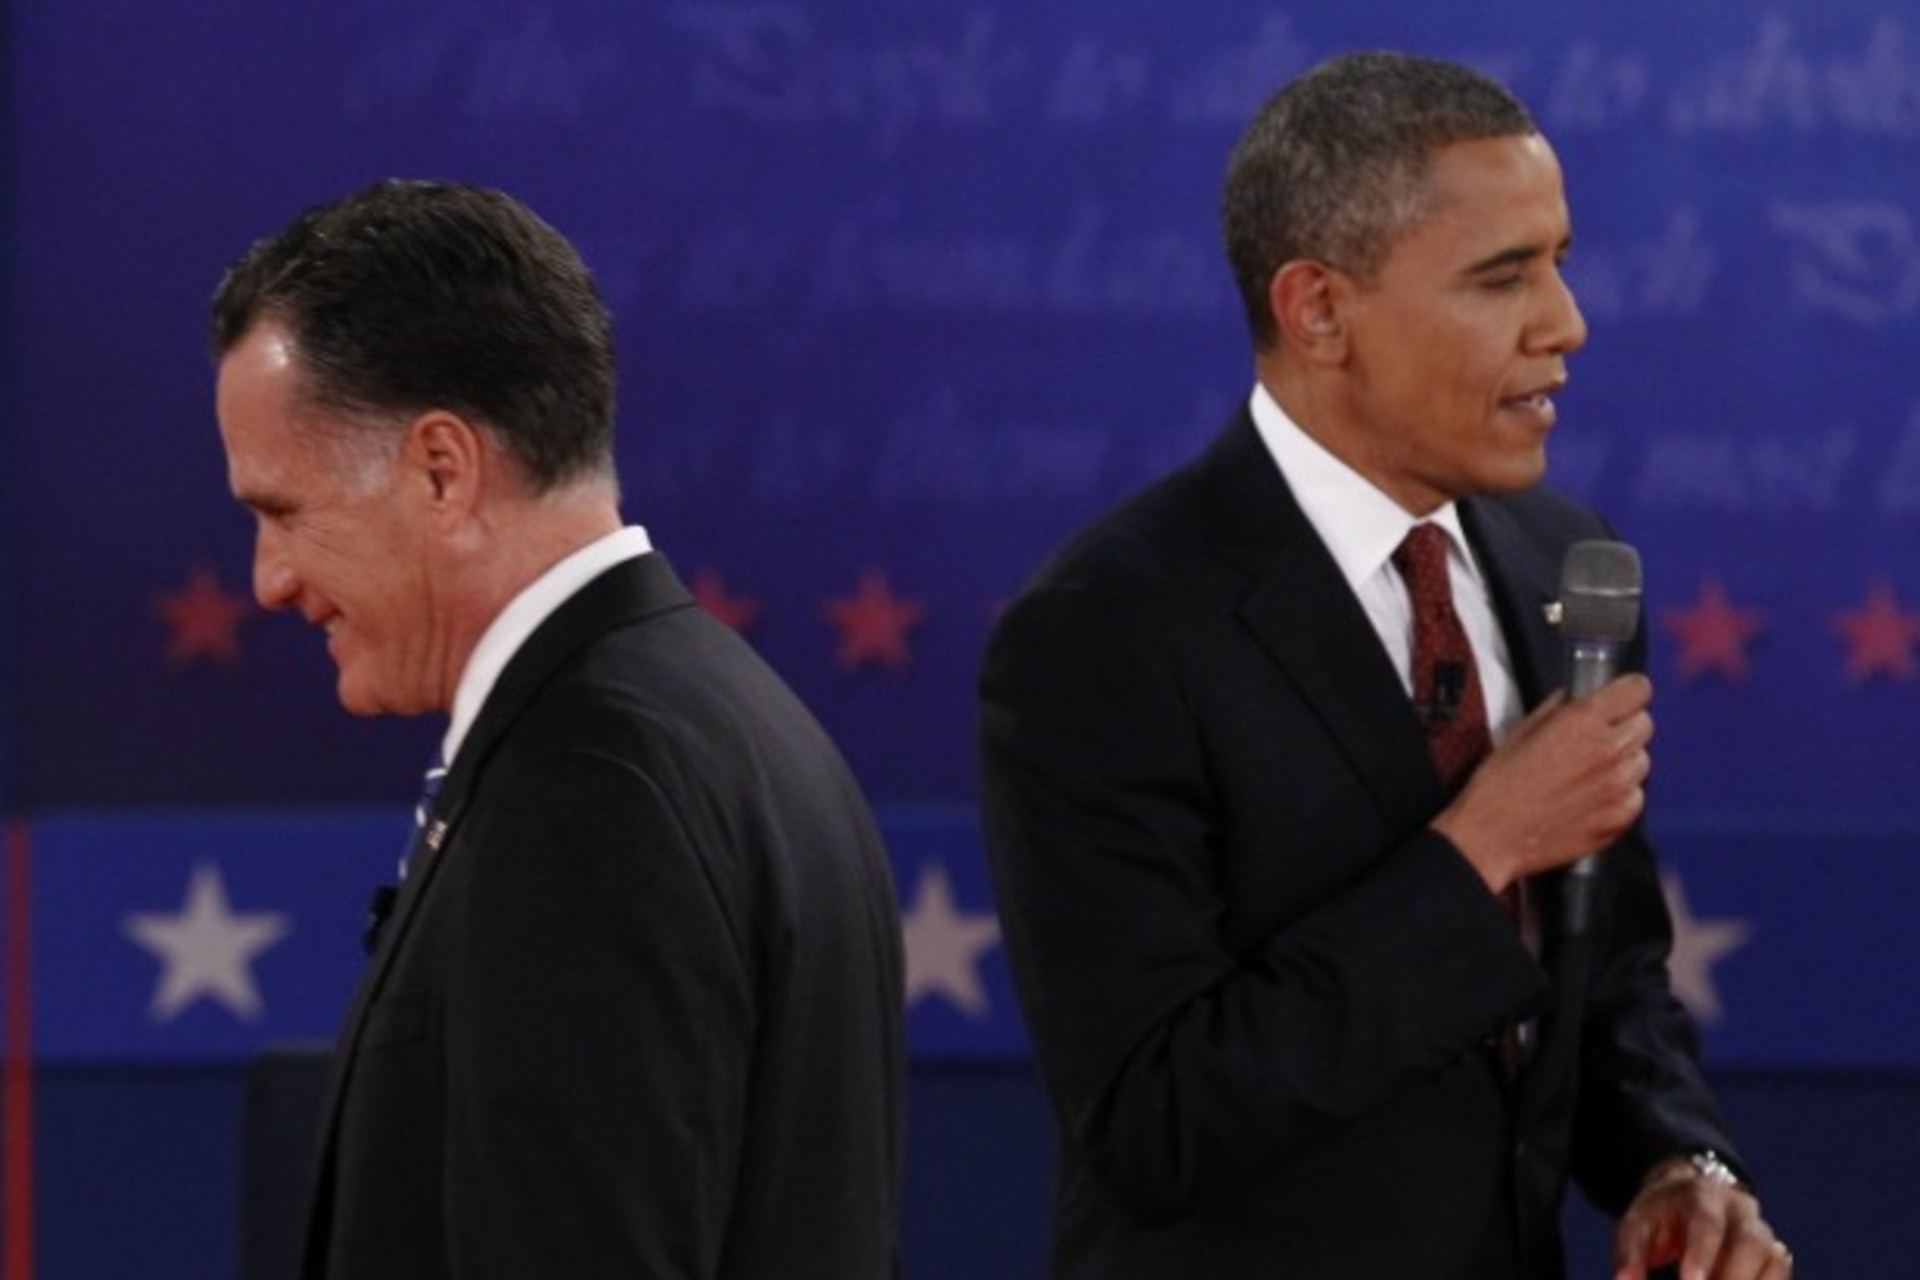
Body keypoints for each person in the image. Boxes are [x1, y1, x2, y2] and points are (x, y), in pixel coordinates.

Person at [978, 51, 1792, 1280]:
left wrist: (1678, 1162)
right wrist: (1481, 848)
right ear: (1318, 311)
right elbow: (1155, 1120)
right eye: (1503, 276)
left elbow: (1608, 974)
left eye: (1560, 261)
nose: (1566, 323)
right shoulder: (1103, 633)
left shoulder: (1569, 561)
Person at [211, 180, 905, 1280]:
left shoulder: (590, 785)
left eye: (282, 511)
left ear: (443, 470)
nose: (269, 580)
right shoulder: (725, 716)